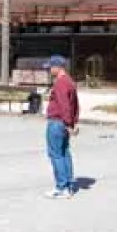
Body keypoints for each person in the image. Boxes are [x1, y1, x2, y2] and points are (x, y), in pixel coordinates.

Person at [43, 54, 79, 199]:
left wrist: (68, 123)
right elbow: (75, 104)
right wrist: (73, 122)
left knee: (56, 154)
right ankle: (69, 185)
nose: (49, 70)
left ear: (58, 67)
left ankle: (61, 187)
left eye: (50, 67)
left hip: (57, 122)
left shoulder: (61, 83)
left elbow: (64, 105)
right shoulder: (70, 81)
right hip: (64, 122)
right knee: (64, 153)